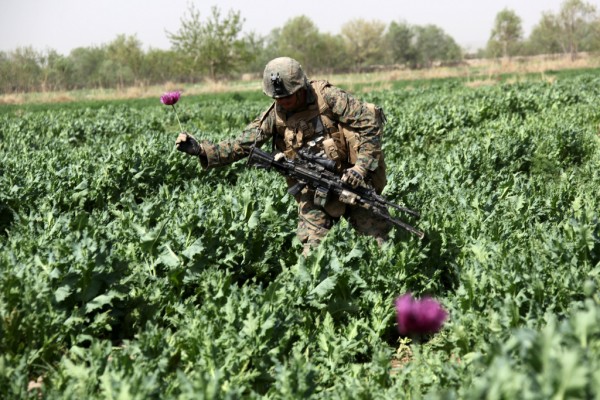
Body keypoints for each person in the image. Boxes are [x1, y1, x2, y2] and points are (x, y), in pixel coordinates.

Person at [176, 56, 391, 255]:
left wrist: (360, 169)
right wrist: (202, 150)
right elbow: (241, 145)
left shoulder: (328, 97)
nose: (283, 102)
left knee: (379, 244)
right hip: (314, 188)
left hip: (353, 181)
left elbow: (369, 125)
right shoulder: (274, 116)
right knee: (312, 256)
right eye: (278, 98)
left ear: (301, 87)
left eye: (288, 96)